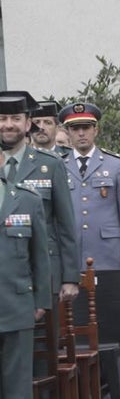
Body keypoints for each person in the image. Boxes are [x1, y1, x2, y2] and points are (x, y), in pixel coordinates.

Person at [0, 118, 52, 399]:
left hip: (15, 305)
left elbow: (41, 259)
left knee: (17, 389)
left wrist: (40, 301)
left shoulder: (26, 200)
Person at [0, 92, 79, 302]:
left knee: (51, 334)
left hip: (44, 275)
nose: (8, 125)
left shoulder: (51, 165)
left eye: (16, 119)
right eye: (2, 118)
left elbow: (66, 224)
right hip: (3, 275)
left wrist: (70, 277)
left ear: (28, 125)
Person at [58, 103, 120, 283]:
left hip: (109, 255)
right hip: (72, 257)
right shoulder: (58, 166)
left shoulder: (115, 165)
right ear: (67, 132)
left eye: (86, 128)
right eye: (75, 128)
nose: (81, 133)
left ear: (96, 130)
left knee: (109, 307)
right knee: (75, 310)